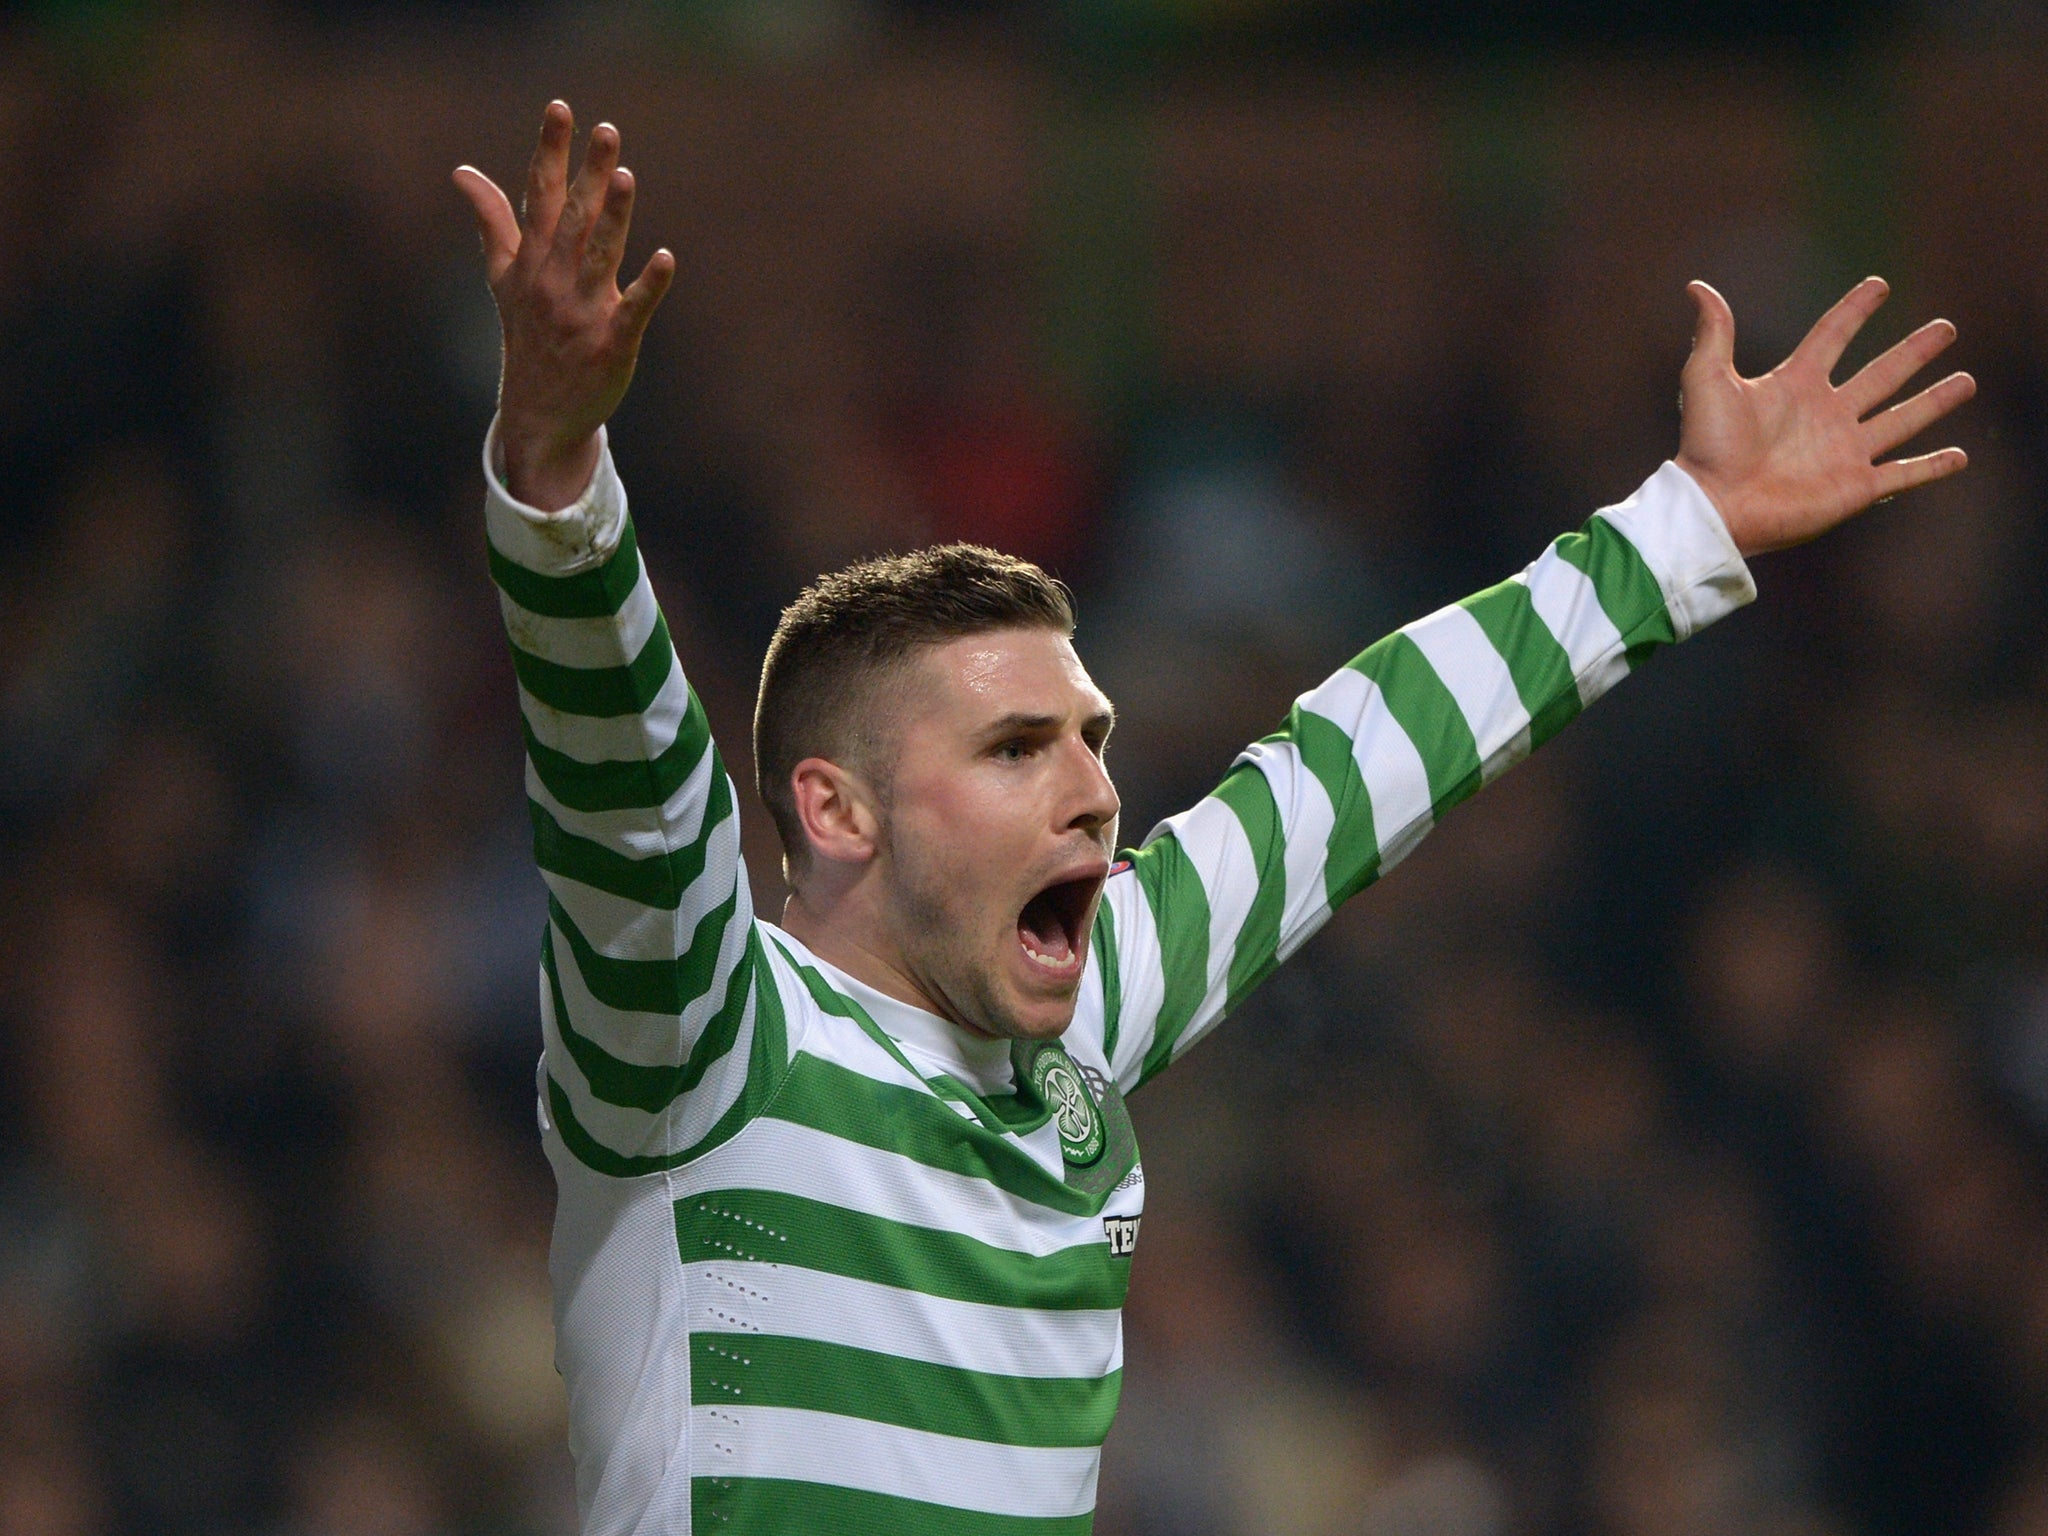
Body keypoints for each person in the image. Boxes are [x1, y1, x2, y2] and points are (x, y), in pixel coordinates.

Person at [452, 101, 1974, 1535]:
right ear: (836, 811)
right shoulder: (705, 1035)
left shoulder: (1083, 1010)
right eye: (1015, 748)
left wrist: (1685, 526)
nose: (1093, 788)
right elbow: (628, 782)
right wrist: (559, 472)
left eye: (1093, 740)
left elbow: (1358, 764)